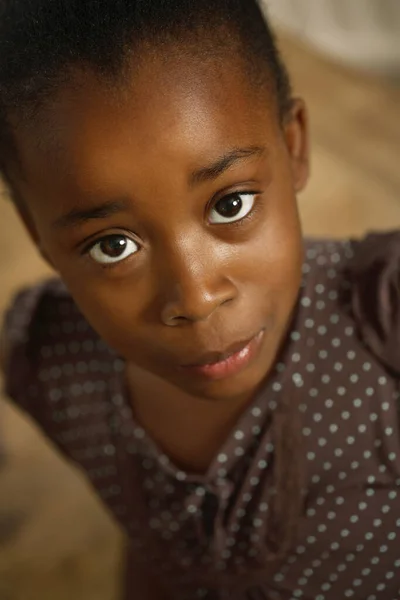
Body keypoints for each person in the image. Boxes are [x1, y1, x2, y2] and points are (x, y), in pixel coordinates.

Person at [0, 1, 399, 598]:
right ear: (38, 235)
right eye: (113, 245)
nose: (196, 296)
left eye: (230, 204)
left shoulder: (384, 323)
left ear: (292, 148)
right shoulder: (54, 363)